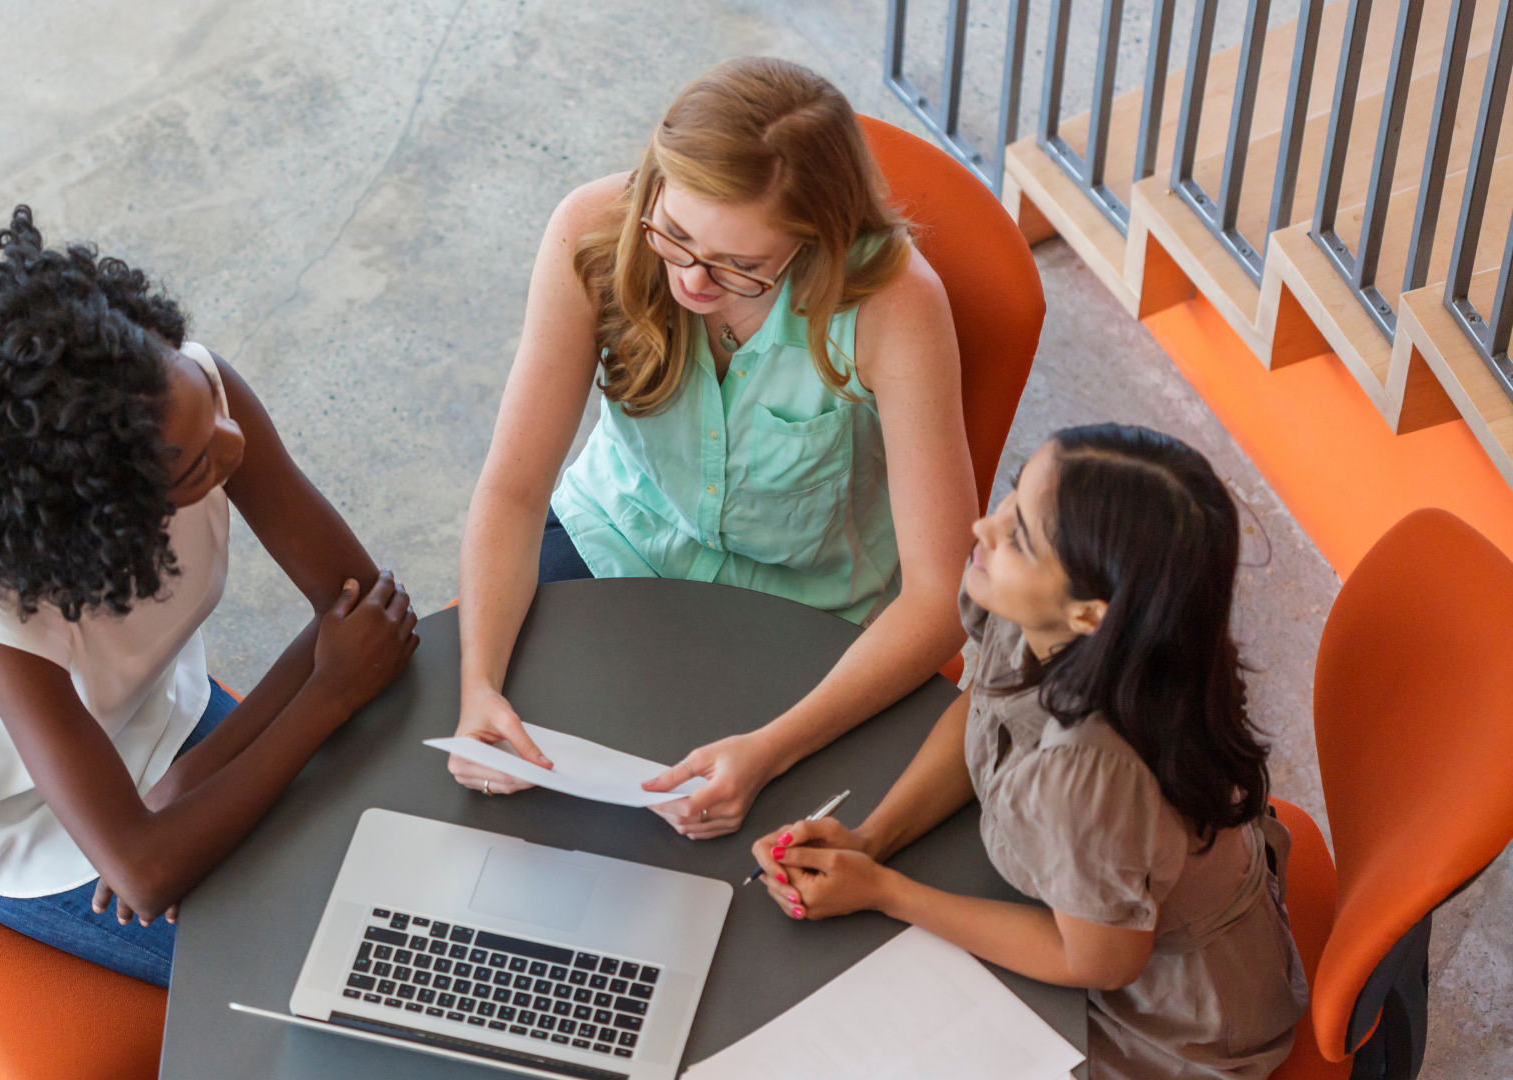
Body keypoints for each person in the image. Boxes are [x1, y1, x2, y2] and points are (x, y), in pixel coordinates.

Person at [0, 206, 418, 988]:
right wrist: (327, 694)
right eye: (193, 469)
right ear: (101, 513)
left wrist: (195, 778)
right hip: (30, 832)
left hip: (161, 733)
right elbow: (146, 873)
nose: (234, 444)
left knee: (393, 863)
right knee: (314, 974)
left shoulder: (188, 397)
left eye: (211, 408)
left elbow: (360, 613)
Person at [449, 57, 976, 838]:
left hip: (809, 608)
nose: (693, 281)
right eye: (677, 235)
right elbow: (513, 492)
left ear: (816, 241)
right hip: (617, 538)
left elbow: (942, 596)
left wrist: (771, 750)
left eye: (743, 266)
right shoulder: (592, 229)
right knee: (493, 808)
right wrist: (478, 684)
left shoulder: (897, 306)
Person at [750, 424, 1309, 1078]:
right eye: (1012, 498)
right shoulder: (1052, 614)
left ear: (1090, 614)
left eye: (1018, 536)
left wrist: (887, 893)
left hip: (1160, 1012)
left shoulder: (1090, 772)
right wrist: (872, 840)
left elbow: (1102, 961)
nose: (984, 526)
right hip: (1096, 910)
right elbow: (985, 708)